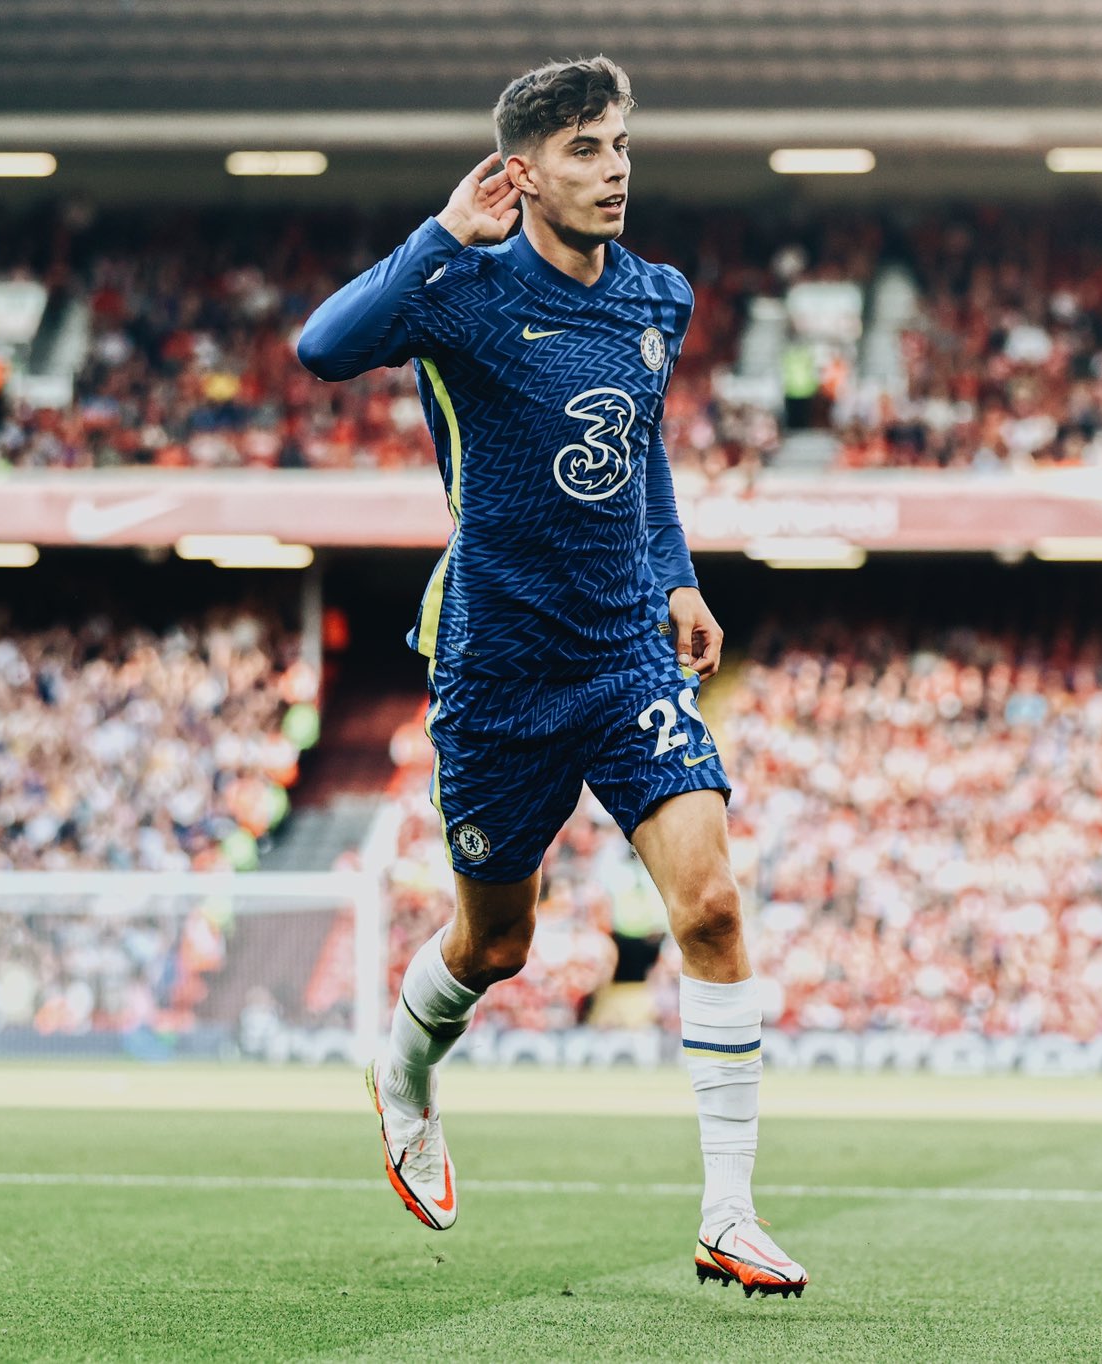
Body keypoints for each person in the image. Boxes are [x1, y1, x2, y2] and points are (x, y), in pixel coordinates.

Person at [298, 56, 807, 1297]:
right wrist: (437, 233)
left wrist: (677, 576)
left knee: (713, 908)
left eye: (621, 142)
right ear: (521, 172)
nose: (615, 167)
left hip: (626, 648)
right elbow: (321, 347)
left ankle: (728, 1212)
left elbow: (642, 456)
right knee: (497, 940)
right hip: (497, 663)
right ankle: (405, 1069)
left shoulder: (657, 296)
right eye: (584, 148)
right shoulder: (459, 291)